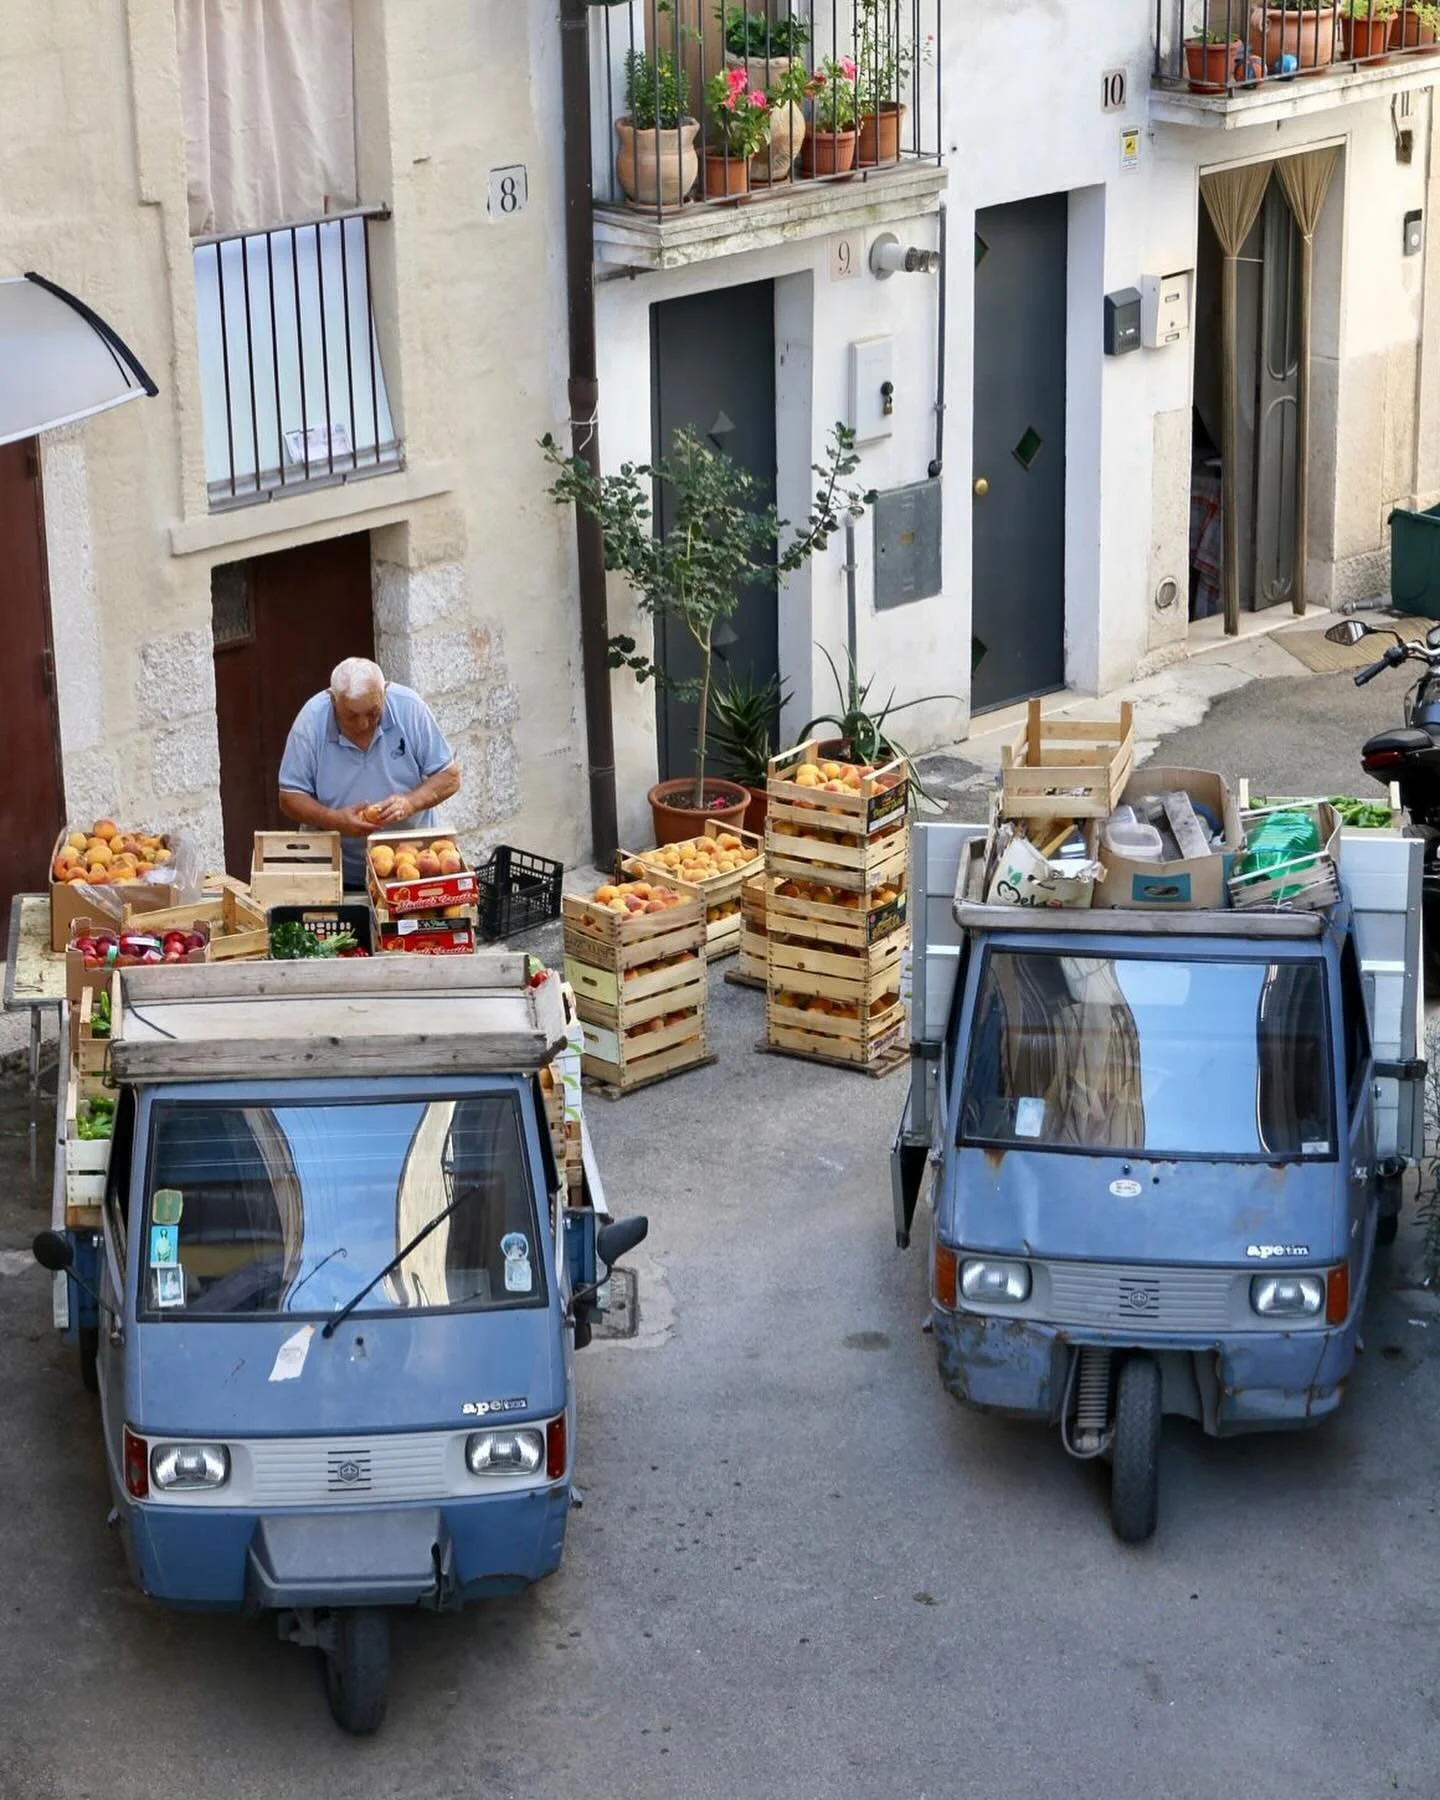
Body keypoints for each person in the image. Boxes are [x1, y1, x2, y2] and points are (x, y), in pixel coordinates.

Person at [278, 658, 462, 890]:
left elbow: (450, 776)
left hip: (409, 866)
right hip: (337, 873)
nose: (364, 724)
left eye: (373, 713)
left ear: (384, 694)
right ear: (333, 699)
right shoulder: (311, 721)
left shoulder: (408, 707)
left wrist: (410, 803)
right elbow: (289, 797)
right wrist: (333, 820)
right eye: (352, 716)